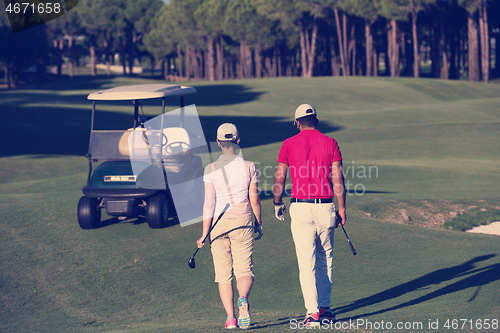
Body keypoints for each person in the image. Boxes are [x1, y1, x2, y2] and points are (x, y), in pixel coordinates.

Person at [272, 104, 346, 327]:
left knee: (307, 262)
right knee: (326, 259)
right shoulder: (331, 143)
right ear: (317, 120)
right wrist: (342, 208)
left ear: (297, 123)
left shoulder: (288, 144)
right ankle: (325, 309)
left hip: (301, 207)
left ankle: (312, 313)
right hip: (326, 206)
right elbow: (338, 180)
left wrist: (277, 203)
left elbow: (279, 179)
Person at [197, 123, 263, 330]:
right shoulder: (249, 166)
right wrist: (258, 223)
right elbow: (255, 199)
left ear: (218, 142)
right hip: (242, 222)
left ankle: (231, 319)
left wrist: (204, 233)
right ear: (238, 140)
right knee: (244, 269)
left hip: (218, 226)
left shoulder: (211, 169)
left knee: (223, 274)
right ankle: (243, 298)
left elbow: (208, 203)